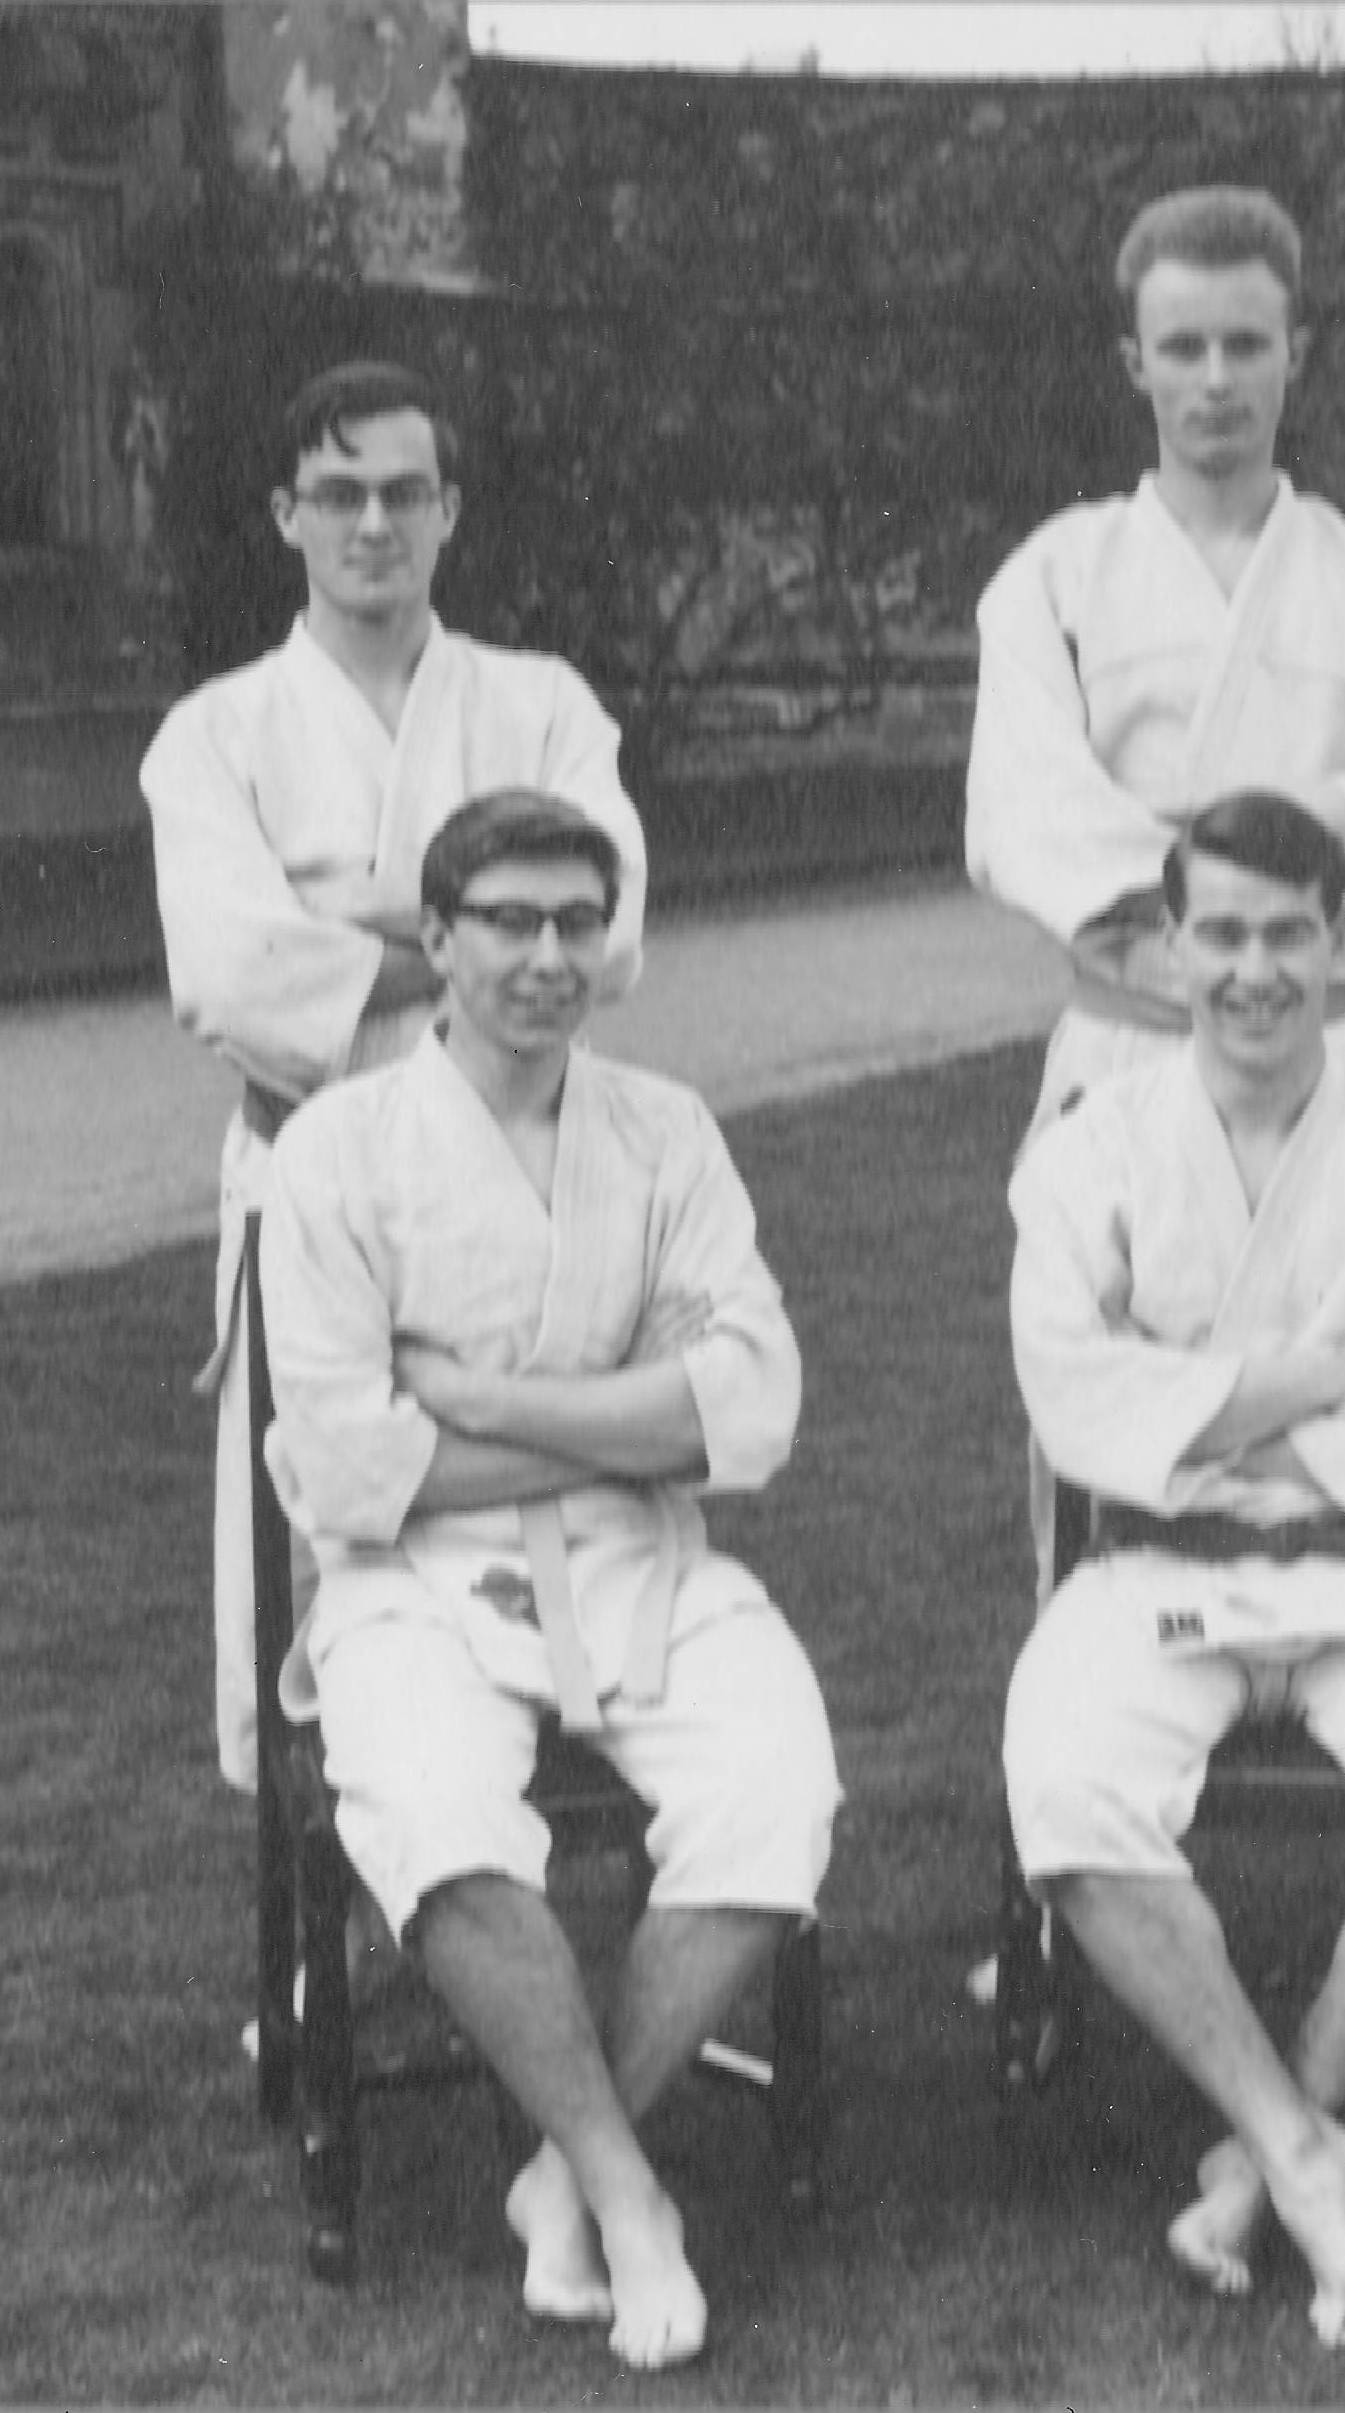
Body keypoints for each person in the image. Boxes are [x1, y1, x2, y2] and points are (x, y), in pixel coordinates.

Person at [260, 792, 837, 2371]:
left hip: (643, 1564)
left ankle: (559, 2171)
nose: (545, 955)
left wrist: (496, 1406)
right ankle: (626, 2193)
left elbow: (752, 1405)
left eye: (578, 921)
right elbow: (349, 1464)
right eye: (507, 920)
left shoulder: (666, 1133)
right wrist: (629, 1429)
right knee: (439, 1823)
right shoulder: (337, 1153)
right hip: (409, 1584)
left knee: (776, 1792)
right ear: (434, 940)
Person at [1001, 791, 1345, 2352]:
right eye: (1221, 933)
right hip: (1148, 1576)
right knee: (1065, 1784)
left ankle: (1266, 2145)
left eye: (1285, 933)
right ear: (1166, 946)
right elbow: (1083, 1411)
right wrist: (1329, 1373)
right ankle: (1305, 2144)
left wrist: (1204, 1413)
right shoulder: (1082, 1156)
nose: (1252, 969)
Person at [143, 359, 648, 1794]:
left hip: (518, 1174)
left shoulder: (540, 705)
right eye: (340, 492)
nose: (375, 522)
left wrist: (365, 915)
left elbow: (607, 933)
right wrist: (488, 935)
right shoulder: (216, 736)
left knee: (535, 1511)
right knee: (313, 1529)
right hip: (309, 1168)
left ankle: (510, 1872)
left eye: (405, 492)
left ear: (450, 513)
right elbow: (230, 975)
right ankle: (322, 1945)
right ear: (285, 515)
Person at [966, 183, 1345, 1129]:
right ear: (1135, 362)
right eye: (1182, 347)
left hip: (1344, 1067)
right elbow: (1032, 826)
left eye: (1246, 344)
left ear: (1297, 351)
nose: (1216, 379)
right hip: (1129, 1062)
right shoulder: (1051, 580)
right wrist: (1315, 849)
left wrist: (1170, 840)